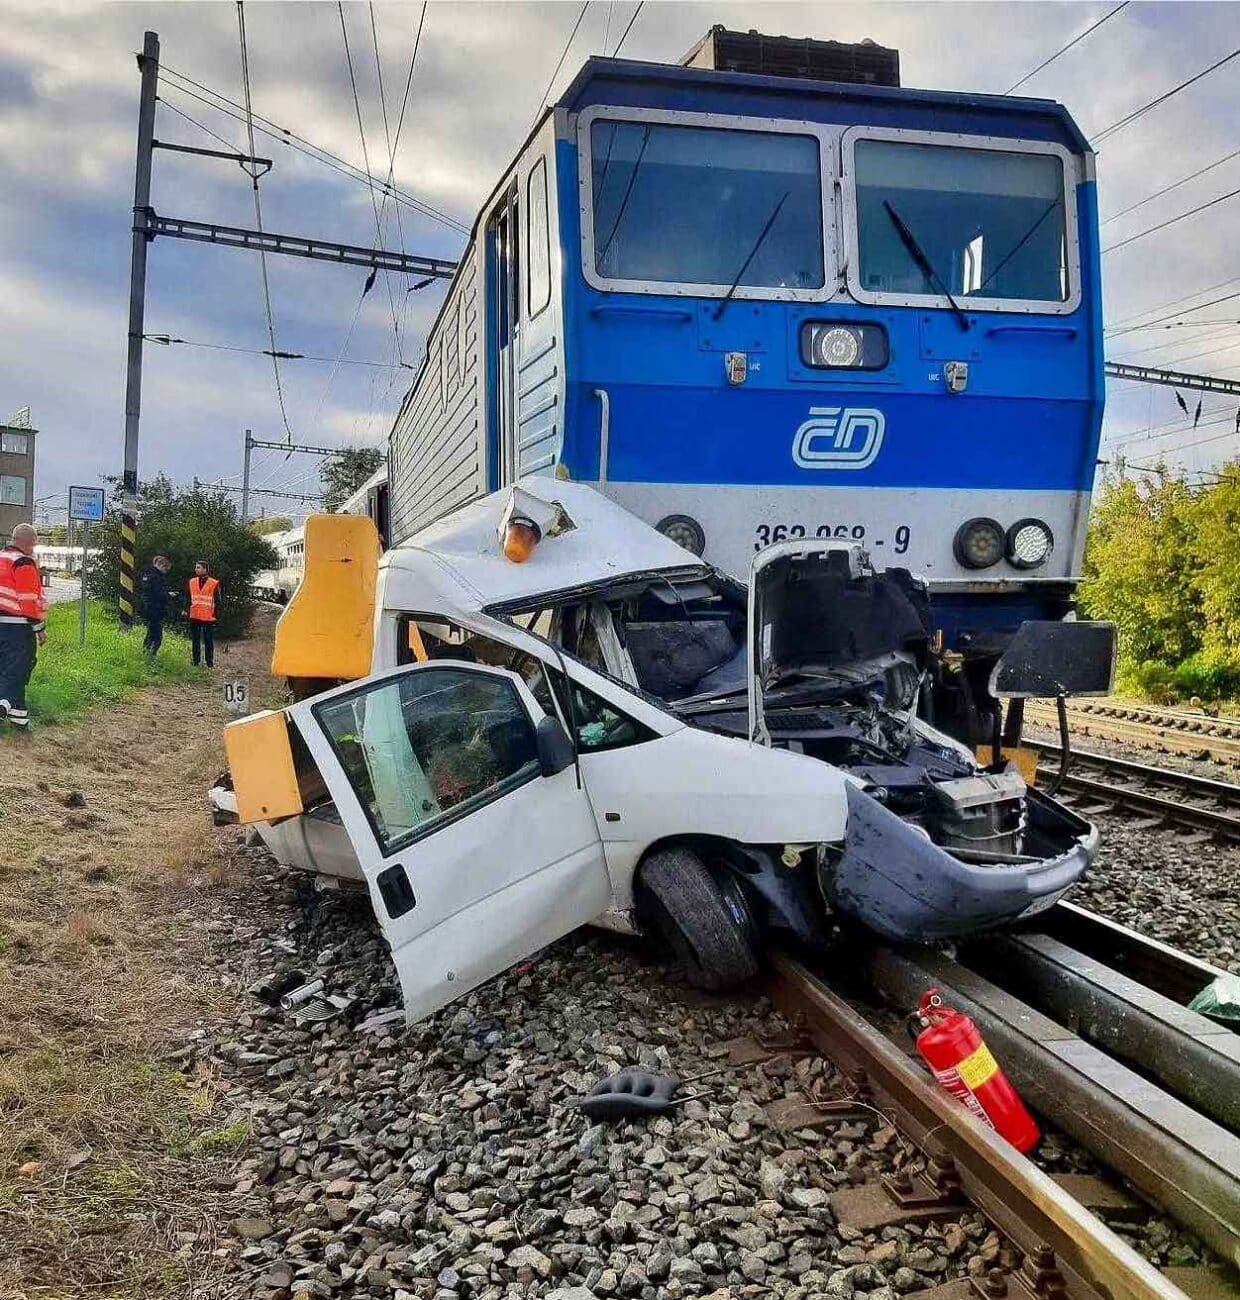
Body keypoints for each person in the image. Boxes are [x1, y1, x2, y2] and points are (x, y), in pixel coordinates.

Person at [0, 523, 48, 735]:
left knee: (6, 670)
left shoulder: (1, 558)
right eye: (34, 544)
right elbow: (28, 600)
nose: (34, 548)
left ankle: (19, 722)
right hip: (18, 627)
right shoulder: (23, 562)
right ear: (28, 542)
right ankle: (2, 707)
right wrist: (39, 628)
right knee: (18, 671)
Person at [187, 560, 220, 668]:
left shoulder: (214, 583)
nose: (196, 569)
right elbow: (187, 597)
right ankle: (196, 661)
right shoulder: (191, 582)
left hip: (208, 616)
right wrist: (185, 610)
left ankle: (209, 662)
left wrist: (215, 615)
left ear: (205, 569)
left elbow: (218, 601)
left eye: (198, 567)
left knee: (208, 641)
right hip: (195, 615)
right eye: (196, 567)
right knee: (195, 640)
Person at [139, 554, 171, 658]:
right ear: (160, 565)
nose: (166, 571)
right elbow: (158, 594)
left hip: (148, 607)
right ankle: (150, 655)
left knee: (151, 632)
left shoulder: (147, 574)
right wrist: (168, 595)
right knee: (157, 635)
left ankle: (146, 652)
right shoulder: (156, 577)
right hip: (154, 608)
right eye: (165, 568)